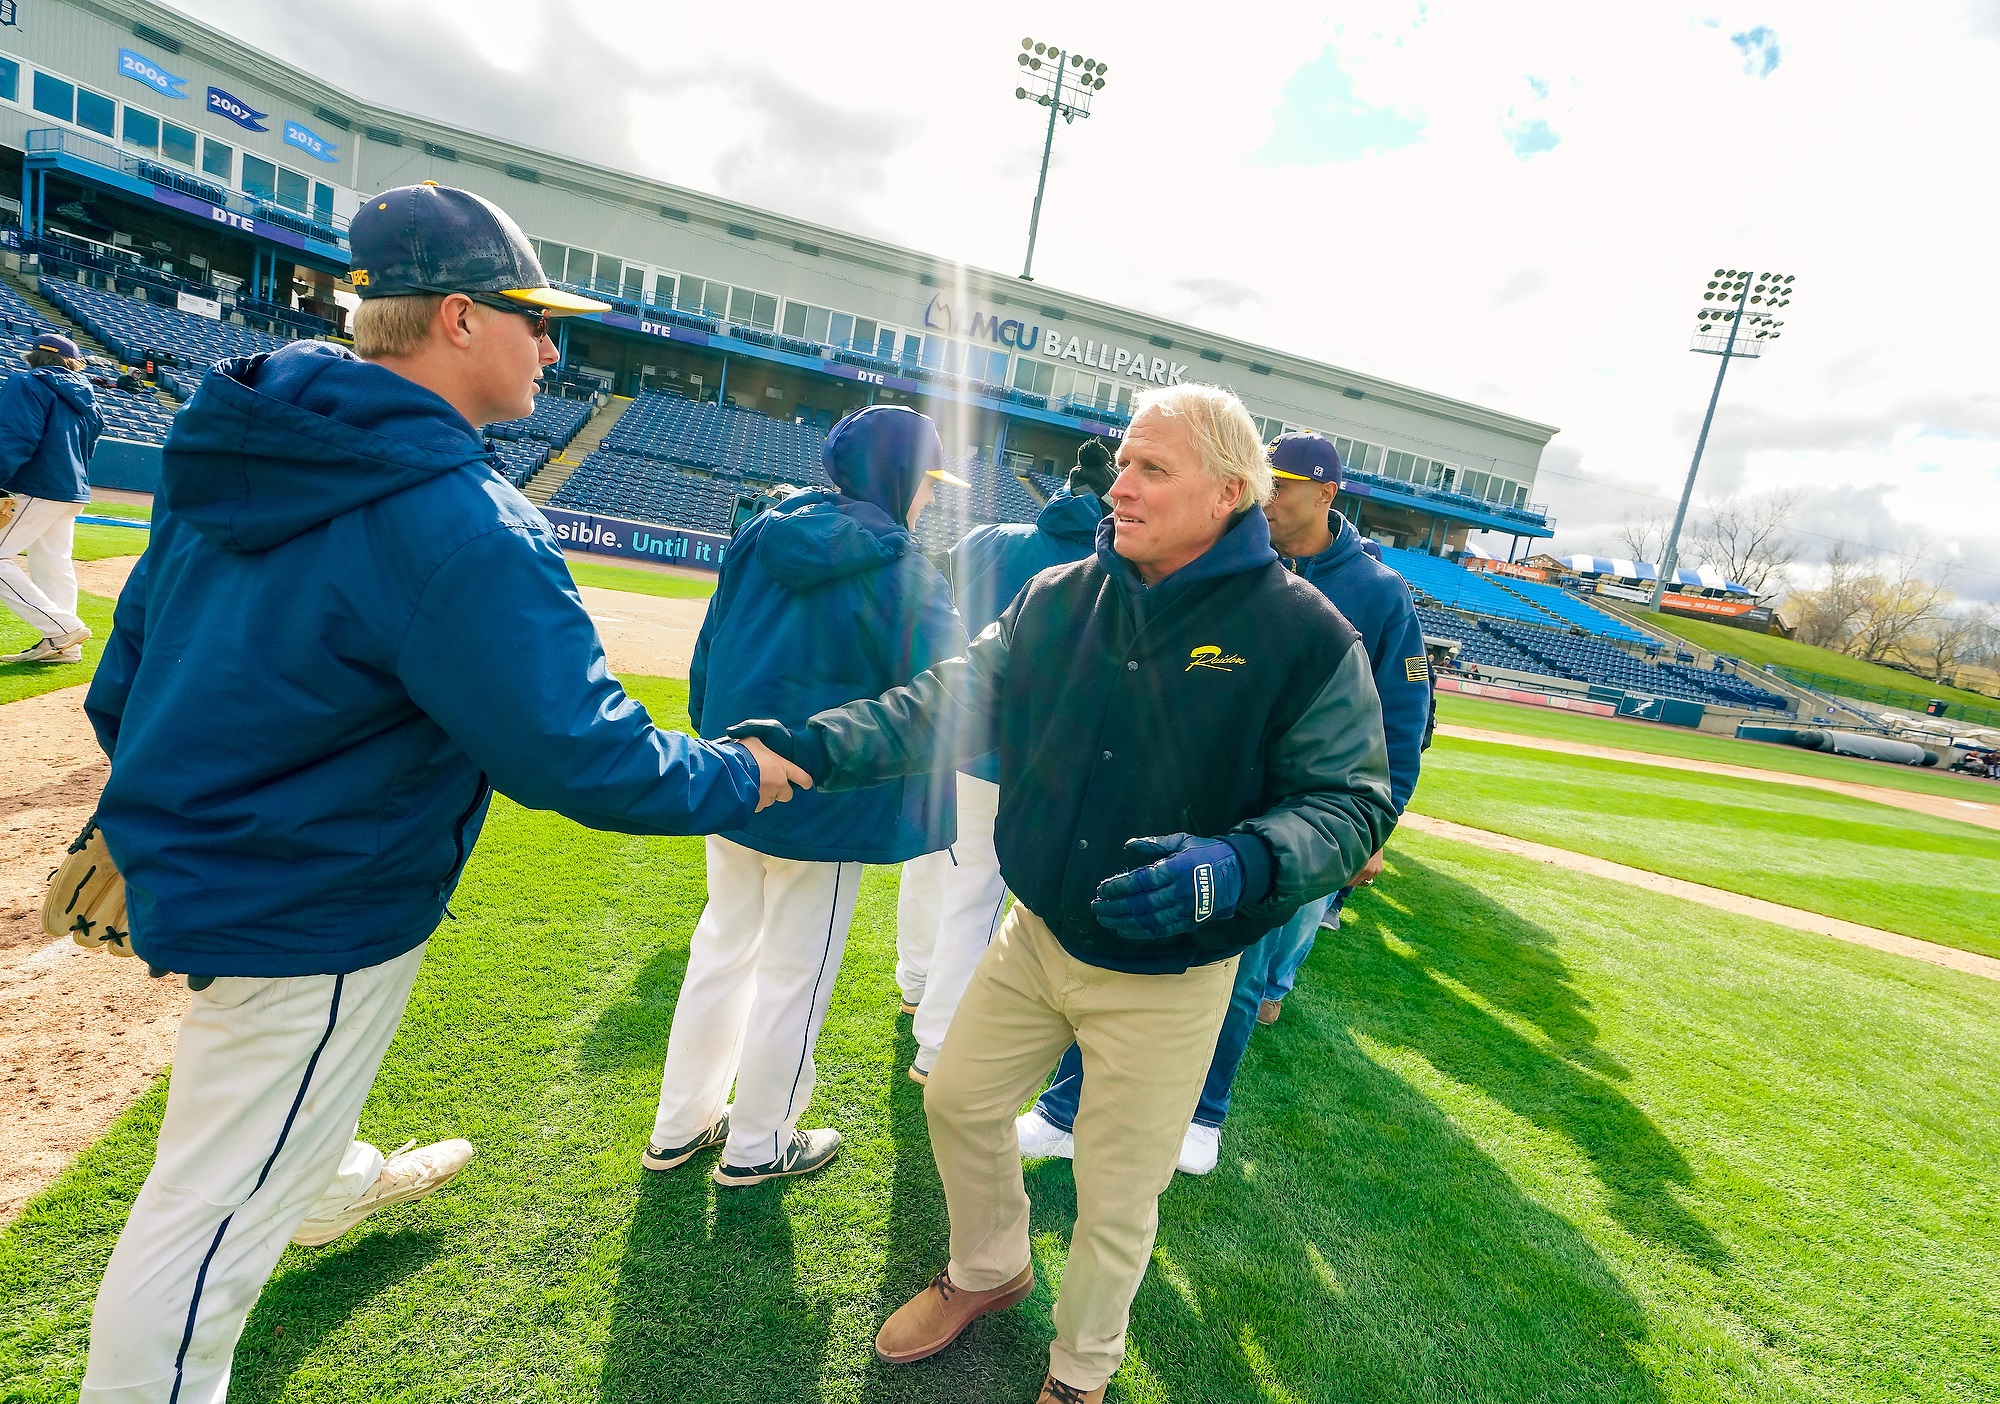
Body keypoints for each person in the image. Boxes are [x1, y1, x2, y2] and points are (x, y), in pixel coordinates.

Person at [75, 183, 810, 1404]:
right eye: (536, 318)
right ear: (461, 319)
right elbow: (583, 752)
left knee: (260, 1125)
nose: (555, 348)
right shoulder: (458, 517)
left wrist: (176, 811)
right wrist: (740, 770)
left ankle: (326, 1183)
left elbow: (126, 679)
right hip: (311, 902)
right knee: (205, 1220)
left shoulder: (249, 439)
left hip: (212, 860)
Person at [730, 383, 1397, 1403]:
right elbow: (943, 703)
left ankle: (1078, 1377)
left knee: (1115, 1196)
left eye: (1148, 469)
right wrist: (815, 747)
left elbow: (1348, 802)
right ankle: (989, 1271)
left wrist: (1240, 865)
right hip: (1034, 934)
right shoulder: (1059, 596)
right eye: (1122, 462)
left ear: (1227, 493)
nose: (1116, 485)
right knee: (955, 1101)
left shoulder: (1303, 632)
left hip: (1169, 974)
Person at [1020, 431, 1430, 1175]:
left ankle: (1204, 1113)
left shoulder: (1376, 592)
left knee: (1243, 970)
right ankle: (1064, 1108)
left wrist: (1377, 828)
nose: (1268, 492)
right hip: (1190, 796)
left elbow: (1400, 727)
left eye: (1286, 481)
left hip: (1297, 824)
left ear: (1328, 493)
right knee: (1130, 942)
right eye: (1261, 478)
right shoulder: (1223, 557)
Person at [643, 405, 967, 1186]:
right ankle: (760, 1143)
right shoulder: (903, 567)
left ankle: (678, 1125)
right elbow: (951, 694)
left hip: (736, 775)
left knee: (721, 949)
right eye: (925, 481)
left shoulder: (760, 529)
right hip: (823, 794)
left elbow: (710, 648)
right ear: (901, 478)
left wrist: (724, 751)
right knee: (797, 971)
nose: (927, 498)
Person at [893, 438, 1114, 1082]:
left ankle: (913, 985)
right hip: (1007, 756)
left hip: (944, 731)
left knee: (929, 864)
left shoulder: (989, 538)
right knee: (977, 898)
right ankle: (935, 1046)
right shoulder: (1096, 568)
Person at [0, 331, 104, 664]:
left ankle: (62, 628)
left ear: (34, 356)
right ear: (70, 362)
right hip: (70, 488)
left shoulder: (26, 383)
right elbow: (89, 447)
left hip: (36, 484)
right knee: (53, 563)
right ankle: (65, 647)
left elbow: (16, 435)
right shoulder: (88, 396)